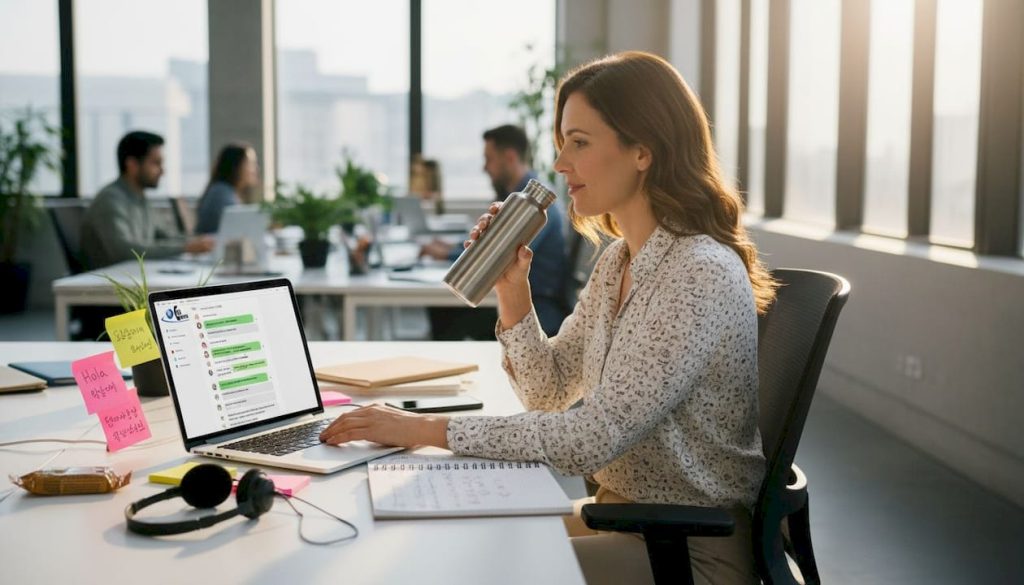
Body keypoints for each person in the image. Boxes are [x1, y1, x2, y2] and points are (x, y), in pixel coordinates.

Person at [320, 51, 777, 585]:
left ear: (642, 152)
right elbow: (551, 392)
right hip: (625, 519)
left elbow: (588, 438)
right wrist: (514, 291)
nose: (561, 164)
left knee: (469, 571)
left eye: (579, 143)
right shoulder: (618, 261)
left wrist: (423, 428)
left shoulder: (696, 272)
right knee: (449, 543)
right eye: (562, 144)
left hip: (690, 553)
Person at [422, 124, 569, 339]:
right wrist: (457, 247)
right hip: (520, 300)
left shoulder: (537, 207)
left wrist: (447, 253)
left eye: (488, 159)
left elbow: (503, 255)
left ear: (509, 157)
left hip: (537, 309)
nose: (484, 168)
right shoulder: (519, 198)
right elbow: (494, 247)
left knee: (445, 313)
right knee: (442, 310)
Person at [81, 131, 214, 269]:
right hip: (109, 283)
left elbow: (164, 237)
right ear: (132, 165)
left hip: (135, 276)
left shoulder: (141, 199)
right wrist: (186, 247)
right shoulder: (110, 200)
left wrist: (199, 242)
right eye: (156, 163)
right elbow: (124, 252)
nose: (162, 171)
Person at [195, 143, 260, 234]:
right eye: (250, 163)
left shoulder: (226, 191)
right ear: (236, 167)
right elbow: (238, 228)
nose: (256, 169)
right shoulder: (221, 193)